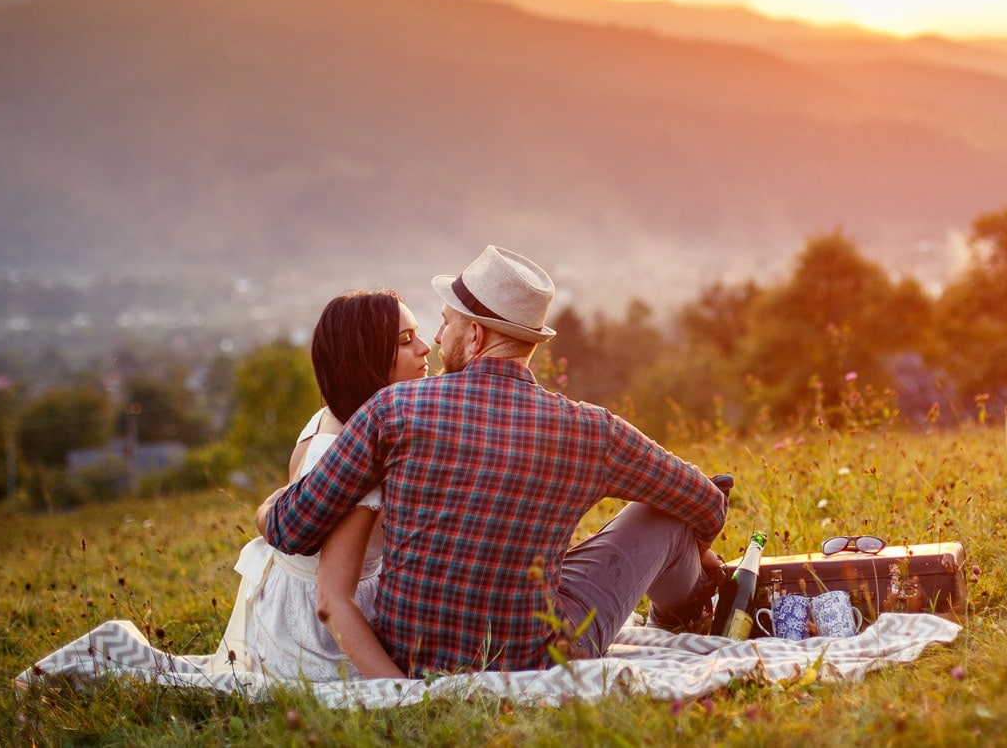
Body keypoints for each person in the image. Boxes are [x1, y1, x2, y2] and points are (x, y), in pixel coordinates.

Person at [259, 245, 728, 677]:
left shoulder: (391, 409)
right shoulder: (592, 429)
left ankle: (686, 607)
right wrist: (699, 549)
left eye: (446, 324)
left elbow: (291, 530)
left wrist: (270, 504)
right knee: (667, 515)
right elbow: (705, 502)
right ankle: (683, 615)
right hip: (532, 662)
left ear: (475, 335)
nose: (437, 338)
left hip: (408, 655)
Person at [219, 289, 430, 680]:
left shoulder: (327, 417)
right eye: (405, 341)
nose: (424, 348)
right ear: (365, 359)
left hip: (284, 602)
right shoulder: (350, 461)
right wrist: (403, 693)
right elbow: (331, 601)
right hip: (317, 635)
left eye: (416, 334)